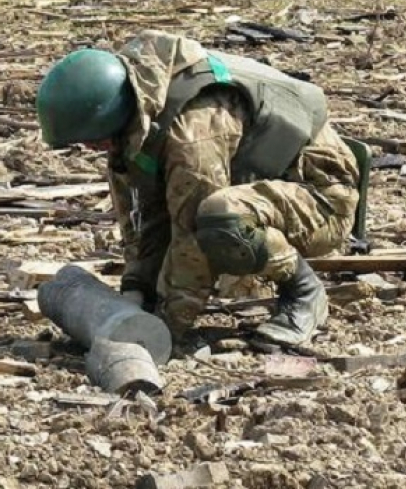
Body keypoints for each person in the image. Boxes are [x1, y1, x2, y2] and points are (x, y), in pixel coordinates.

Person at [35, 30, 360, 348]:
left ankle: (304, 293)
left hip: (322, 198)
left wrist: (167, 326)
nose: (91, 148)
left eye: (91, 140)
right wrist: (138, 289)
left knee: (222, 219)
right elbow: (143, 218)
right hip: (262, 193)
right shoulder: (138, 115)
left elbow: (192, 238)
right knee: (216, 215)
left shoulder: (192, 135)